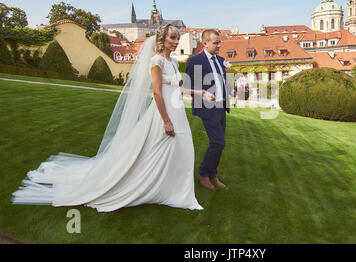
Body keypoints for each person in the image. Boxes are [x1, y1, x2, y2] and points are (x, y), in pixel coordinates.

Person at [11, 24, 210, 212]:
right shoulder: (156, 61)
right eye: (172, 38)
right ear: (162, 39)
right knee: (160, 149)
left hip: (177, 111)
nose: (176, 42)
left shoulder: (173, 62)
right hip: (163, 112)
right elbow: (157, 93)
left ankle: (175, 188)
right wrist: (166, 120)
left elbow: (175, 87)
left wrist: (198, 91)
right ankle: (169, 191)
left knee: (182, 149)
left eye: (177, 38)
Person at [185, 29, 235, 191]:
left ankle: (213, 174)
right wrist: (203, 96)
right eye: (215, 42)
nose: (219, 45)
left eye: (219, 42)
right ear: (204, 43)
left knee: (219, 144)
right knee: (218, 142)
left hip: (221, 107)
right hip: (207, 108)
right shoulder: (195, 61)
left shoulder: (220, 60)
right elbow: (188, 87)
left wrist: (231, 89)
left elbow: (221, 82)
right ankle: (202, 173)